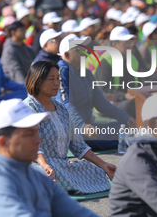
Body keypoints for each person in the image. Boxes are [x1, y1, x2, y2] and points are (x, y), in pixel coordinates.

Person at [0, 99, 98, 217]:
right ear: (4, 143)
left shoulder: (36, 176)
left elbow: (76, 212)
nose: (38, 140)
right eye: (29, 134)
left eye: (36, 133)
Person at [23, 61, 117, 194]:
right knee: (53, 171)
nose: (57, 83)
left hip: (62, 166)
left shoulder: (60, 108)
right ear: (37, 81)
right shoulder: (29, 107)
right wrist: (45, 166)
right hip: (38, 165)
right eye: (51, 79)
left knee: (93, 170)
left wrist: (104, 165)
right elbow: (32, 145)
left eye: (58, 79)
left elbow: (78, 145)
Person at [55, 35, 136, 150]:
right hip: (70, 131)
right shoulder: (61, 73)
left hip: (88, 128)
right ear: (67, 55)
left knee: (125, 128)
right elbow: (66, 104)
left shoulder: (86, 73)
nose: (85, 52)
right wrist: (82, 127)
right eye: (80, 49)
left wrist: (126, 118)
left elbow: (101, 103)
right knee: (115, 140)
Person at [95, 26, 138, 117]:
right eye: (125, 43)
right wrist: (124, 96)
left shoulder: (133, 59)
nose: (129, 45)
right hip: (109, 104)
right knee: (130, 106)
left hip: (128, 99)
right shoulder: (106, 61)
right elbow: (104, 89)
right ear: (114, 44)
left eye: (130, 42)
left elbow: (139, 82)